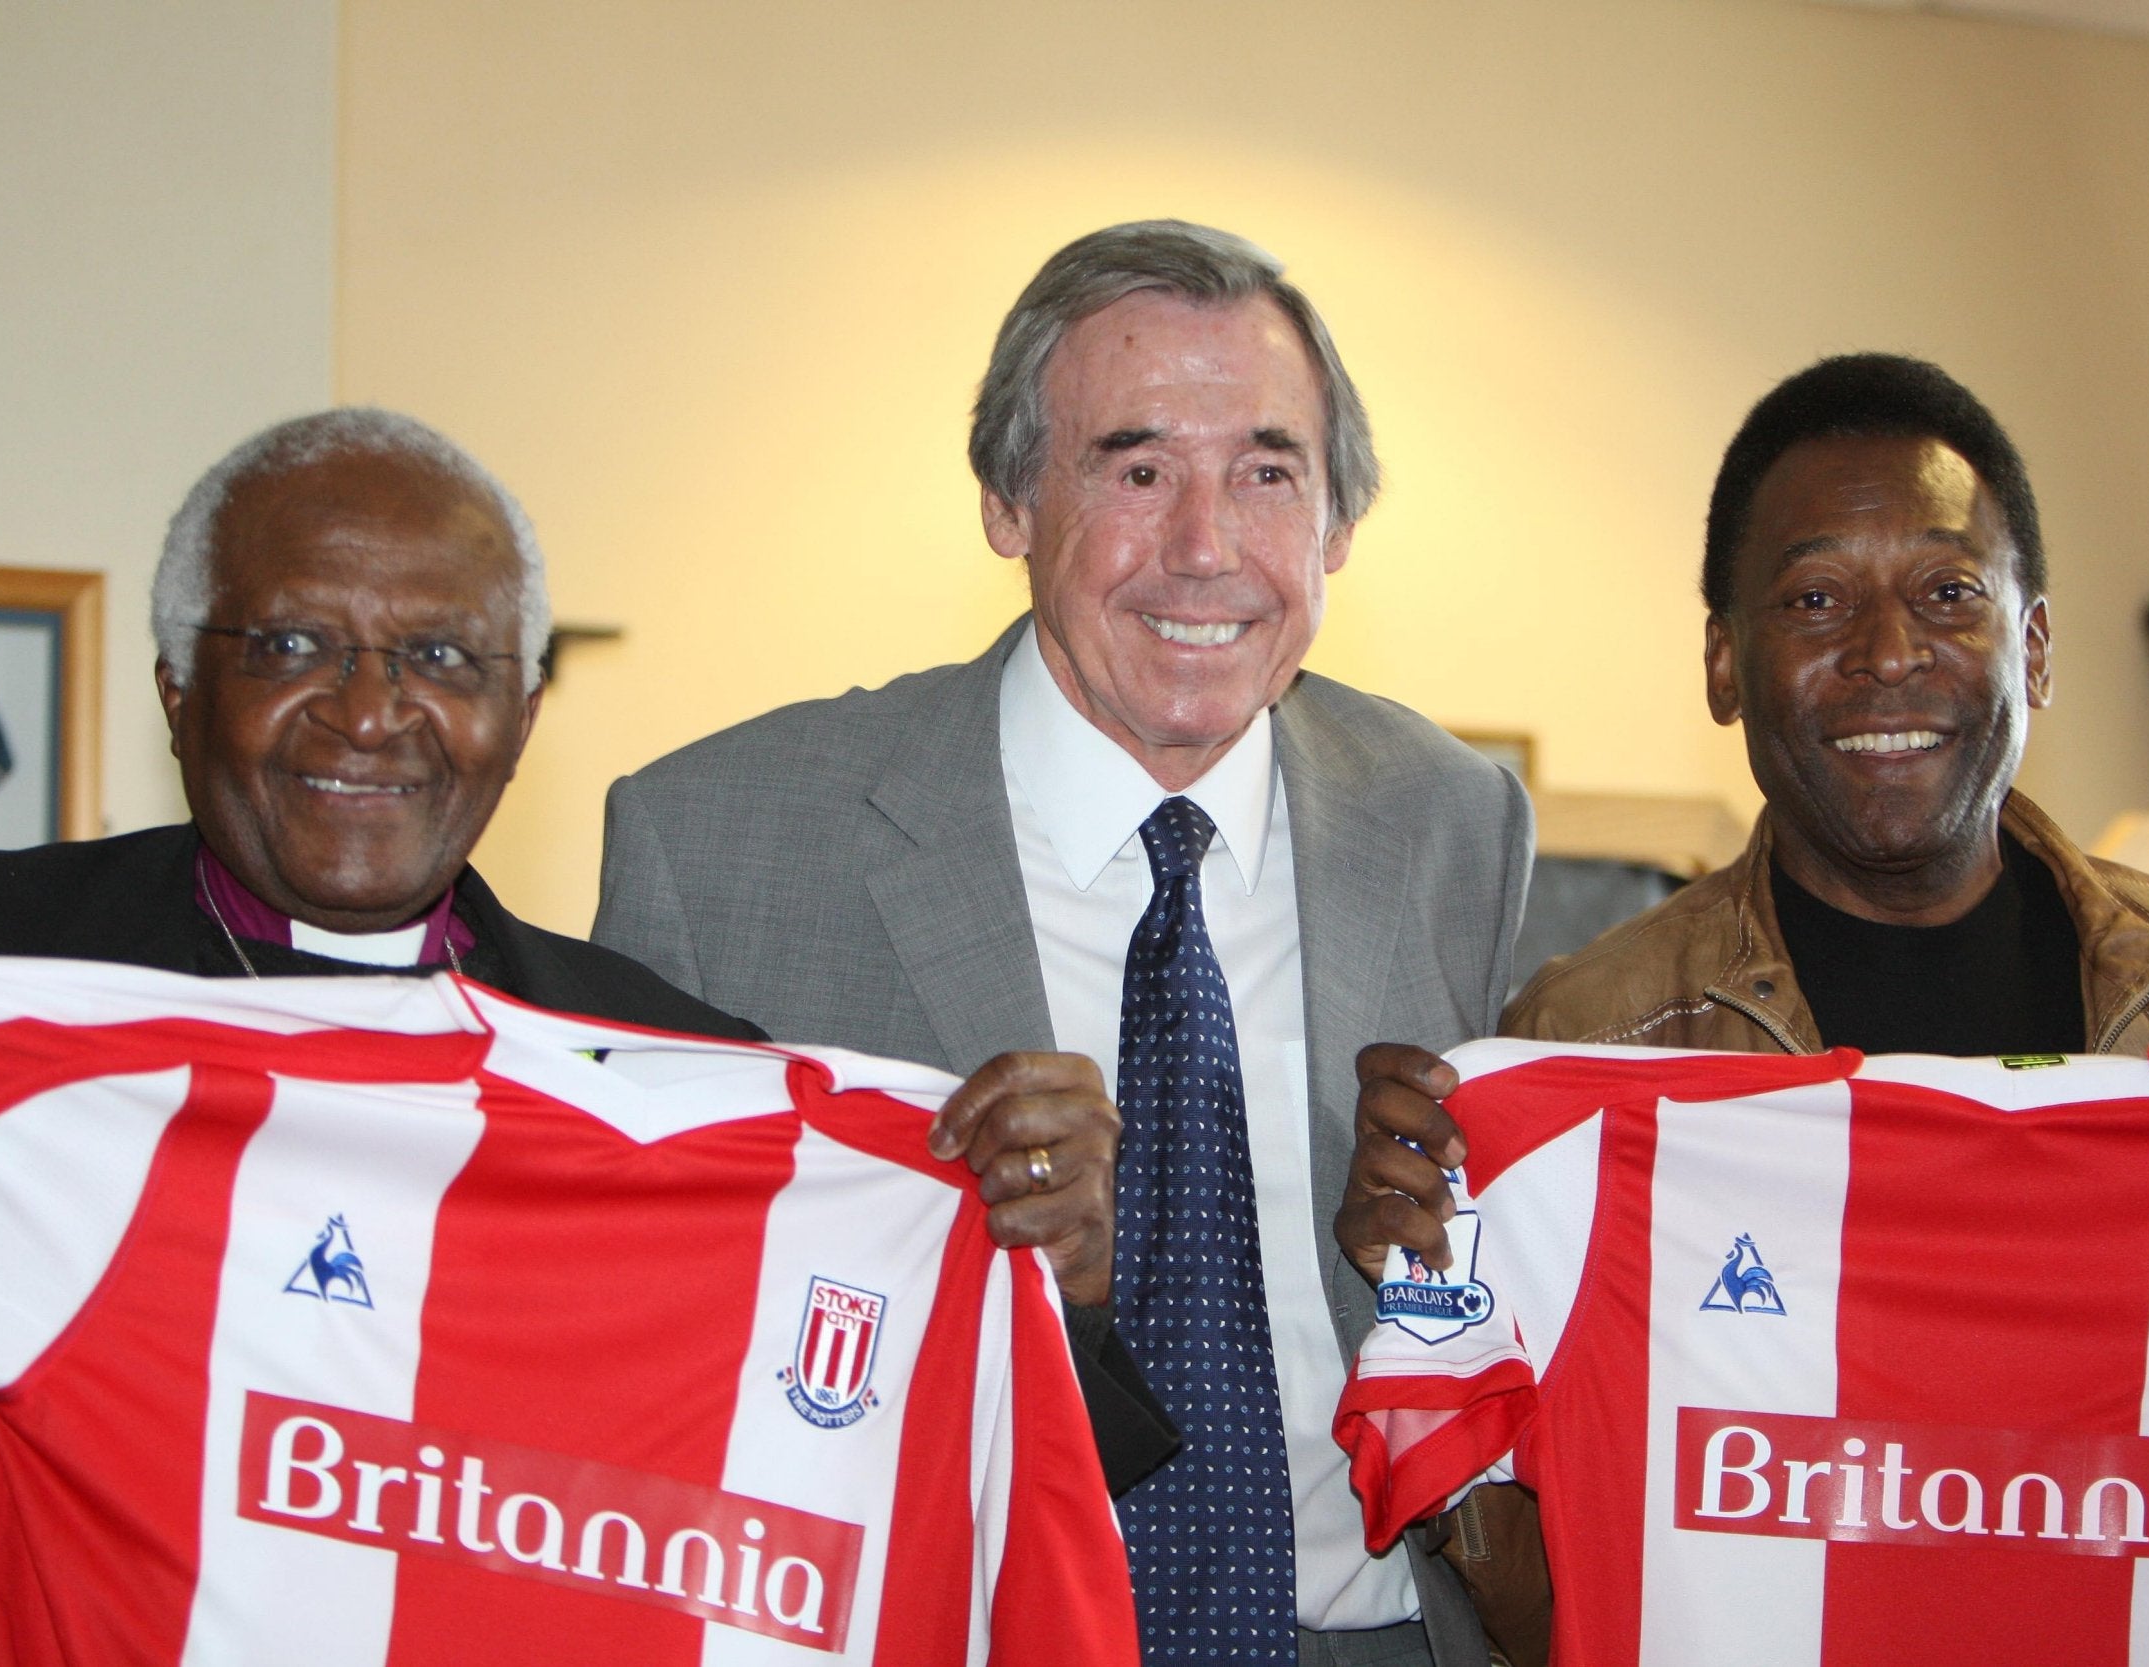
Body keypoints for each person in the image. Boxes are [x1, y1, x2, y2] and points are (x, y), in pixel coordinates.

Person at [0, 407, 1124, 1664]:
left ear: (523, 720)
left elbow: (926, 1494)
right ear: (175, 689)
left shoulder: (667, 1069)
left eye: (441, 657)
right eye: (289, 646)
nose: (370, 713)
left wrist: (1045, 1280)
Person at [594, 220, 1533, 1666]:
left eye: (1268, 473)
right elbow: (641, 1367)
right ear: (1008, 497)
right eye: (1136, 469)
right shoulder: (718, 844)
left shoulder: (1454, 824)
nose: (1206, 548)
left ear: (1340, 525)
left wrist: (1449, 1260)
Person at [1337, 352, 2149, 1666]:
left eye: (1949, 590)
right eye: (1814, 598)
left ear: (2033, 645)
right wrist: (1440, 1294)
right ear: (1726, 664)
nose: (1889, 652)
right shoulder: (1588, 1056)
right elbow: (1546, 1607)